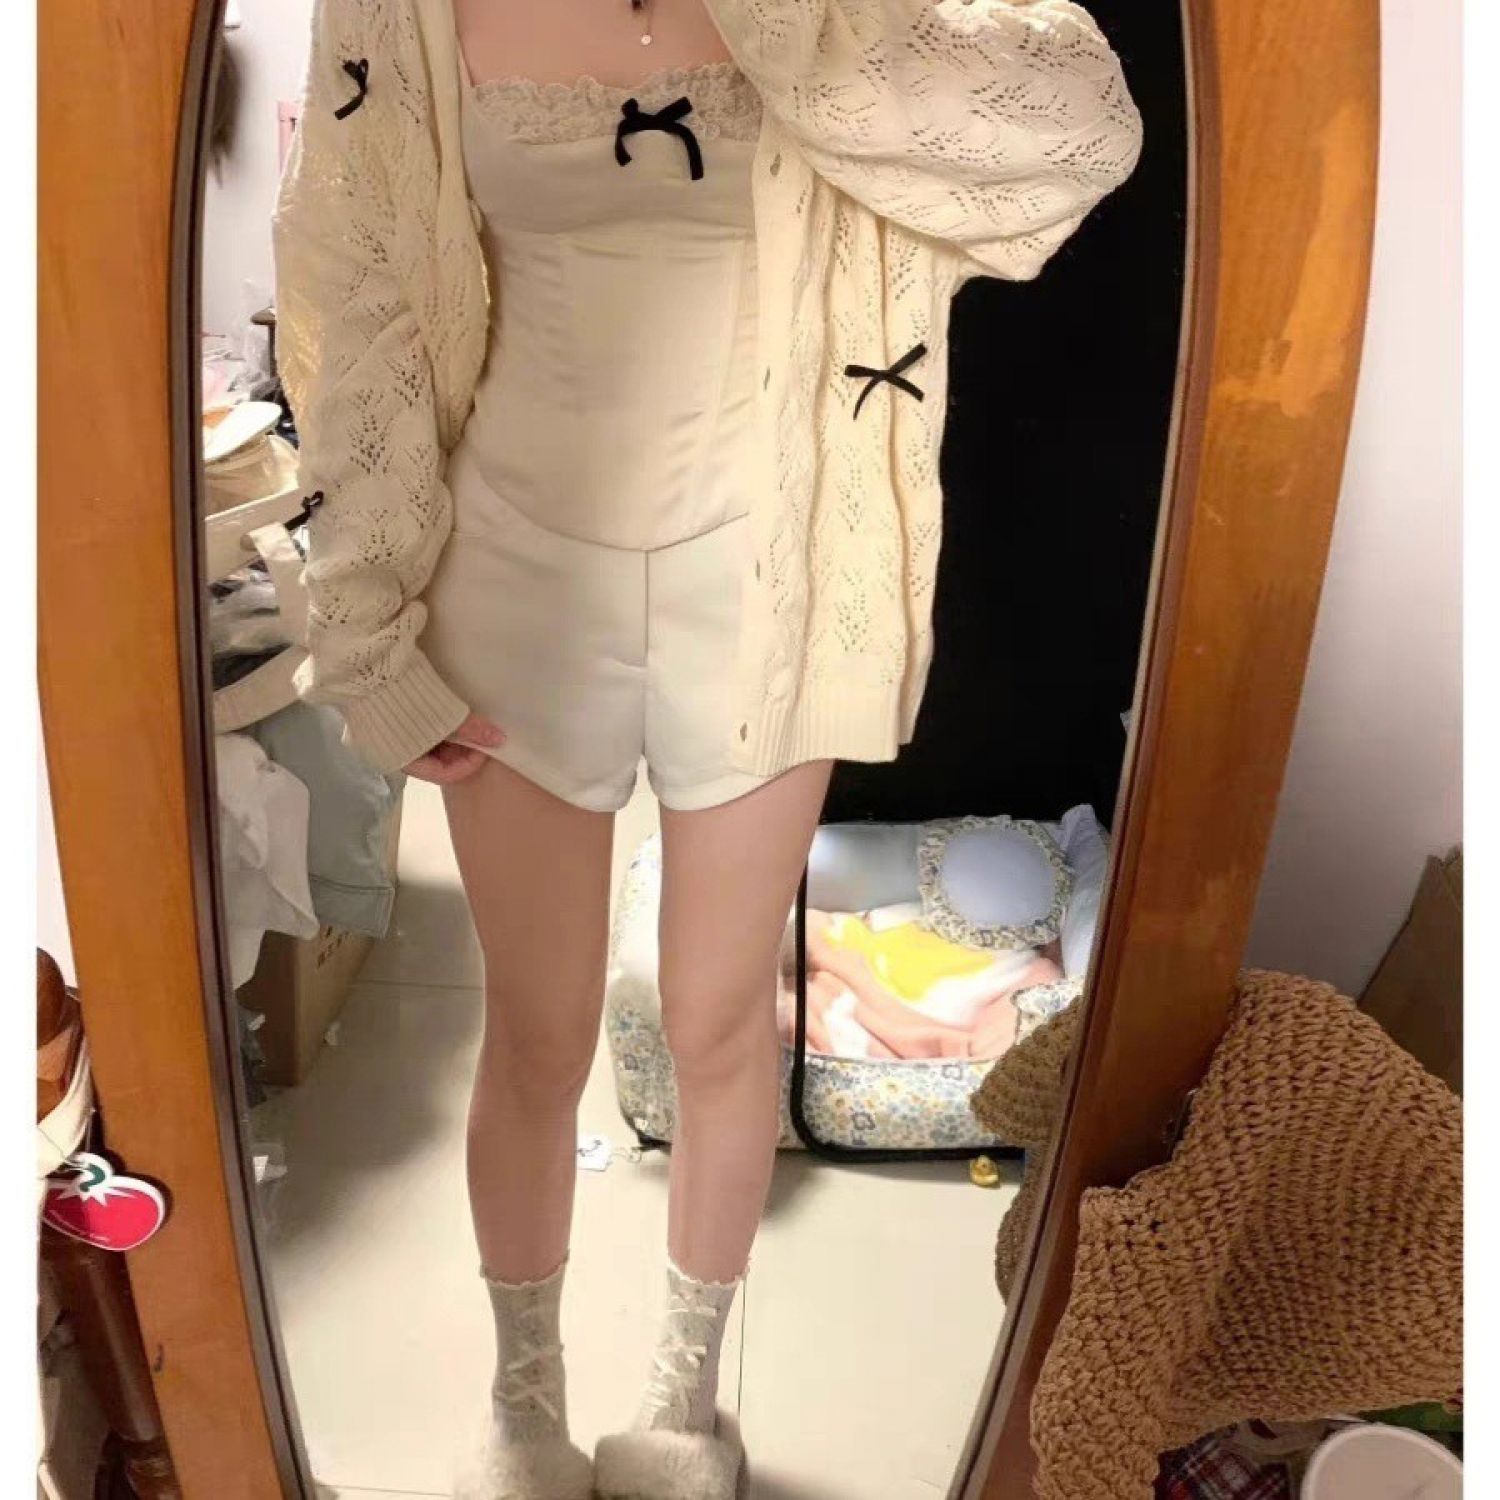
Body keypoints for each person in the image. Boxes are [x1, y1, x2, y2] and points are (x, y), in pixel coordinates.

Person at [273, 2, 1140, 1496]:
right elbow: (359, 298)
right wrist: (366, 634)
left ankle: (683, 1404)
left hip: (772, 578)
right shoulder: (401, 9)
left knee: (722, 1021)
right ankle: (522, 1406)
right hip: (510, 571)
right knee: (534, 1035)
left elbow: (1076, 131)